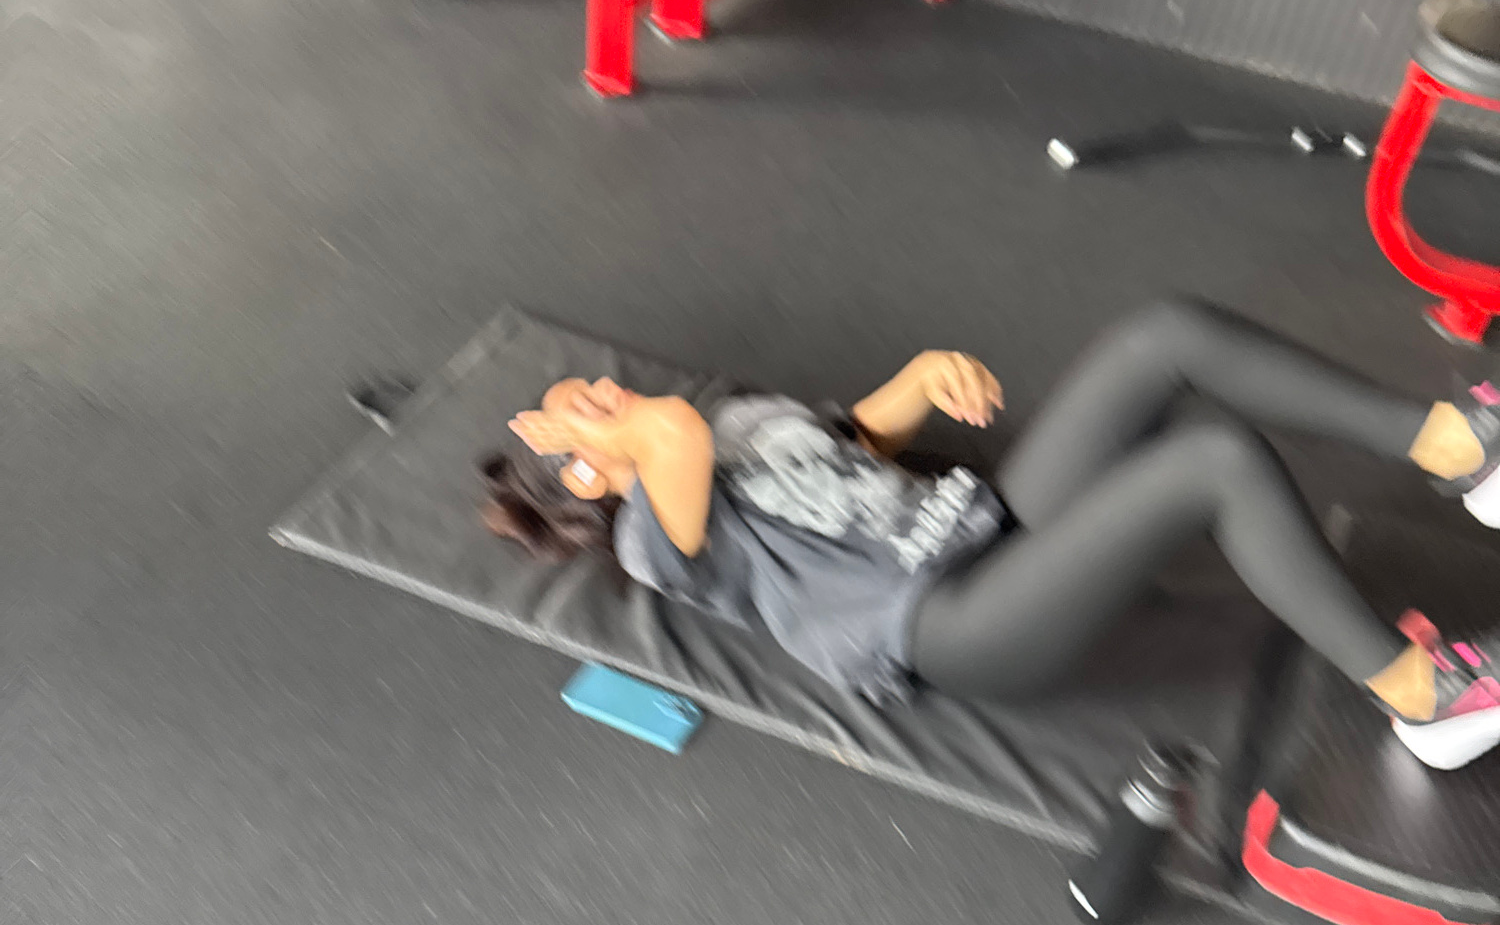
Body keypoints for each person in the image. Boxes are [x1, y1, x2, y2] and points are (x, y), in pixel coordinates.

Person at [483, 301, 1500, 770]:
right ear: (585, 473)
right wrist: (611, 433)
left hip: (978, 526)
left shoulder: (724, 423)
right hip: (954, 626)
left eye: (591, 386)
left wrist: (922, 378)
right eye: (586, 409)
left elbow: (850, 443)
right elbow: (673, 435)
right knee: (1213, 462)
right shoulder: (654, 538)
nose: (606, 390)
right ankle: (1420, 699)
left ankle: (1457, 448)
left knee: (1159, 336)